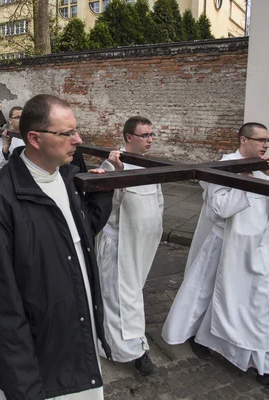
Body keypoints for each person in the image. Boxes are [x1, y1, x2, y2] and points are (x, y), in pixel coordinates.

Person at [0, 94, 122, 399]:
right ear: (35, 138)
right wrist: (24, 387)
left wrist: (102, 190)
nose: (77, 140)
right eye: (67, 133)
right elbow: (1, 310)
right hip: (41, 365)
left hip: (77, 343)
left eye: (75, 131)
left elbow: (73, 238)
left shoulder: (66, 179)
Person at [161, 123, 269, 400]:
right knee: (208, 294)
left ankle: (267, 368)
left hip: (255, 251)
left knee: (255, 308)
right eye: (260, 140)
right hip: (224, 245)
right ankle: (202, 338)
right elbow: (218, 210)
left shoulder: (266, 168)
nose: (265, 145)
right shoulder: (224, 167)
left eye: (268, 140)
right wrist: (244, 181)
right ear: (243, 140)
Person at [95, 116, 163, 376]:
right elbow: (105, 207)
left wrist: (154, 233)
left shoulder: (149, 165)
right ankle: (128, 351)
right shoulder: (113, 163)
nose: (150, 140)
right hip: (118, 244)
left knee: (132, 295)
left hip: (141, 245)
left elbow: (157, 202)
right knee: (118, 298)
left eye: (151, 134)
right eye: (144, 135)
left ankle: (131, 344)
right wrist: (119, 175)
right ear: (128, 137)